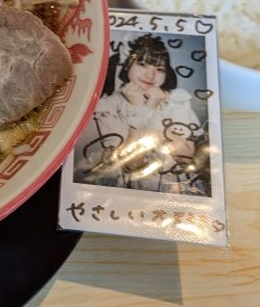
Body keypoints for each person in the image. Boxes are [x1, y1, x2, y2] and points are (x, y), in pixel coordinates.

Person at [74, 34, 209, 196]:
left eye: (159, 69)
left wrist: (153, 112)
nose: (150, 75)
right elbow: (132, 164)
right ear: (127, 66)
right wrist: (142, 109)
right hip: (129, 190)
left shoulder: (177, 99)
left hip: (177, 189)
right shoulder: (108, 105)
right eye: (142, 64)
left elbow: (185, 156)